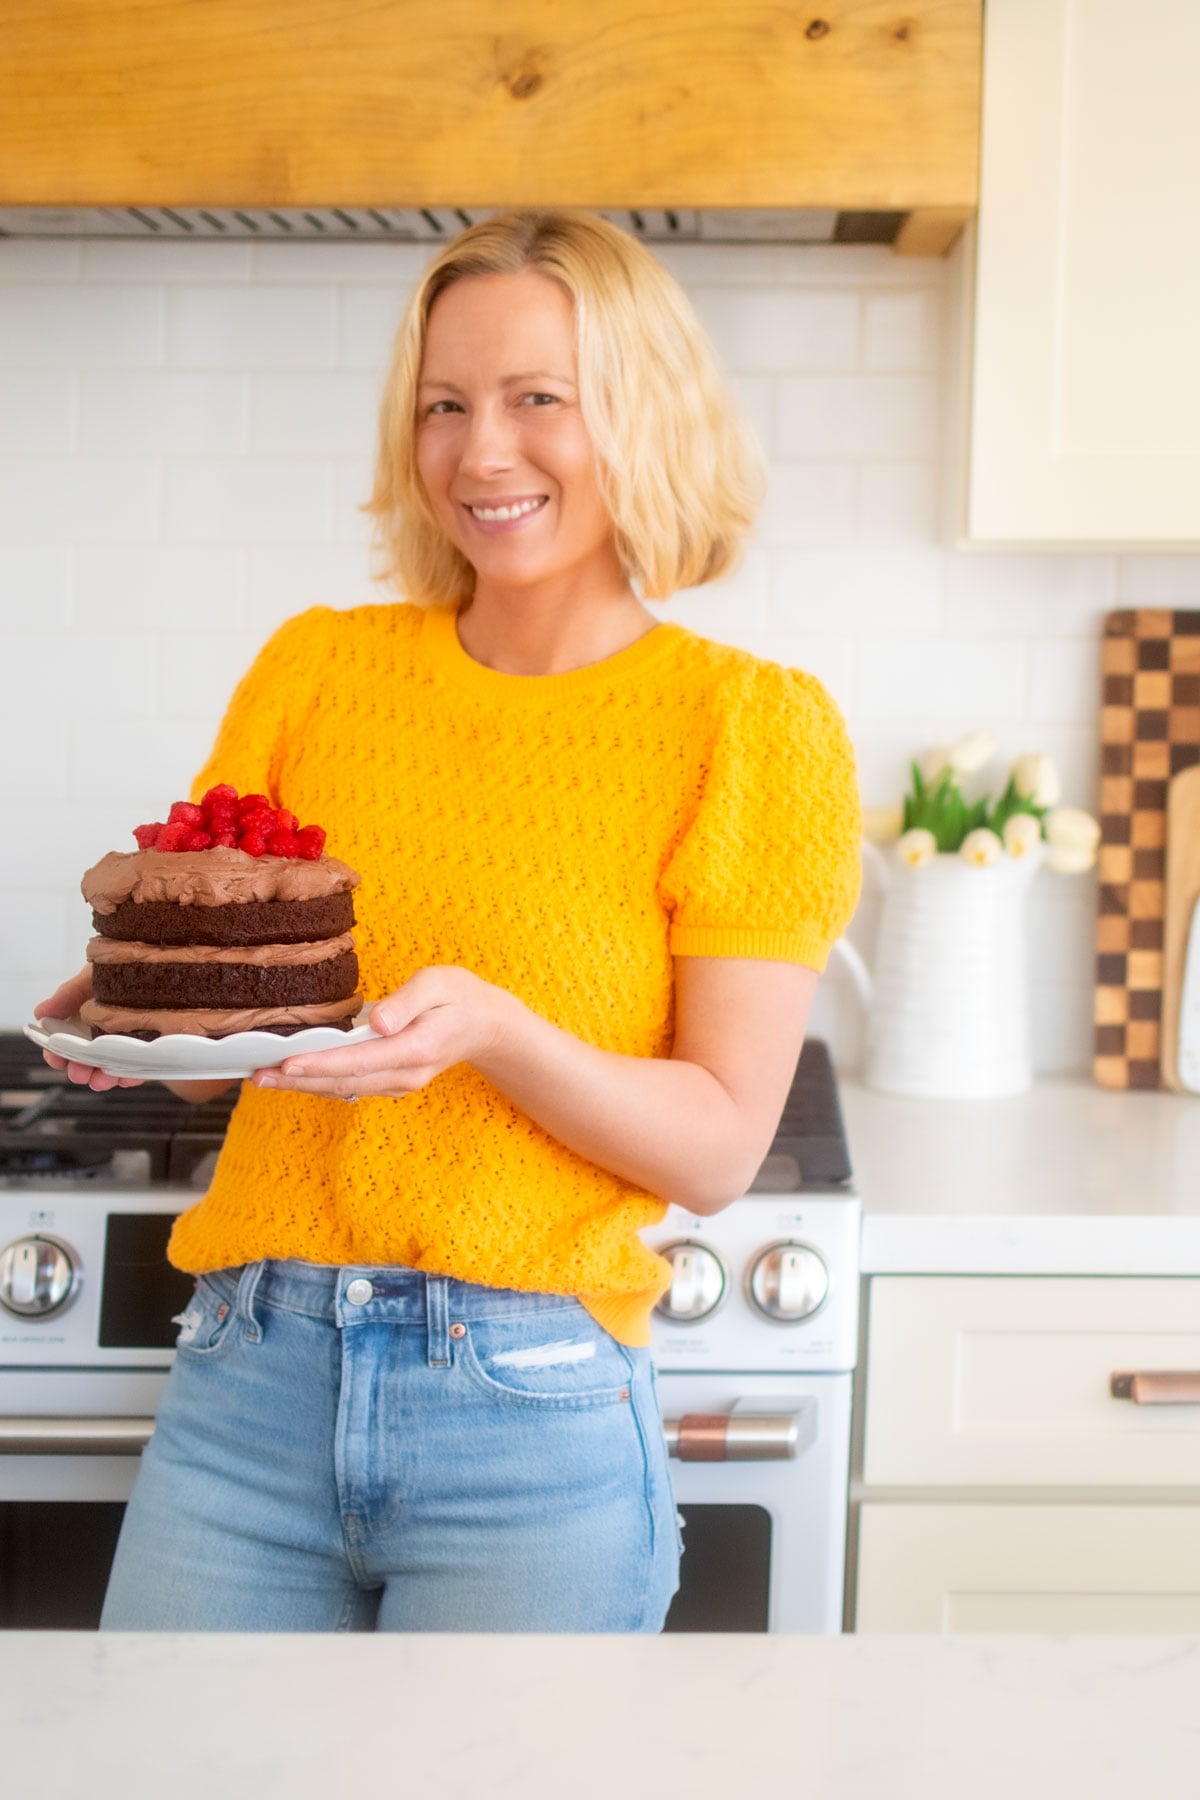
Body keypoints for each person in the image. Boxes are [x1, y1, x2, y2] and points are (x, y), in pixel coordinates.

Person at [36, 208, 862, 1633]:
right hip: (249, 1374)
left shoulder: (752, 730)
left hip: (527, 1415)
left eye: (540, 398)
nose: (482, 452)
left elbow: (721, 1146)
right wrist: (139, 1016)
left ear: (641, 415)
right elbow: (227, 998)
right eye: (444, 405)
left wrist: (494, 1034)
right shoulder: (315, 669)